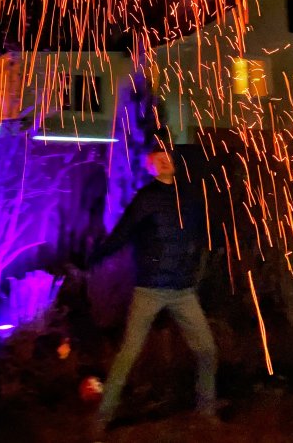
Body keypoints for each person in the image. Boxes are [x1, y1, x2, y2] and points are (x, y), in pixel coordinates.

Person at [88, 139, 219, 440]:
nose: (164, 160)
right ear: (150, 166)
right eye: (157, 157)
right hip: (150, 289)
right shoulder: (145, 199)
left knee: (207, 350)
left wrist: (197, 267)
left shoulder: (188, 198)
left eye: (167, 156)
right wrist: (95, 256)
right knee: (129, 353)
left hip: (183, 290)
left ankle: (206, 410)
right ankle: (102, 418)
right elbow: (122, 233)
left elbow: (199, 236)